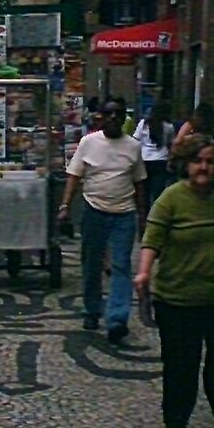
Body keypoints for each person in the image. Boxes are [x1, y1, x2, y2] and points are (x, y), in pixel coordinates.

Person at [135, 134, 214, 428]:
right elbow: (153, 238)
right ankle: (176, 423)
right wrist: (144, 273)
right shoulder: (171, 198)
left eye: (209, 161)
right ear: (185, 164)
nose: (203, 167)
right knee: (180, 366)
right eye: (197, 161)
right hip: (177, 299)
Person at [58, 99, 148, 344]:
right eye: (109, 115)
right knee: (92, 263)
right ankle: (92, 309)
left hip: (124, 213)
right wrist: (65, 205)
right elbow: (74, 175)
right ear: (101, 118)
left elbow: (139, 182)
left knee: (120, 265)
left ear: (123, 120)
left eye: (118, 115)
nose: (113, 119)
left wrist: (142, 216)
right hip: (94, 210)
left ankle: (117, 318)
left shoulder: (133, 146)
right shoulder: (89, 142)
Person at [134, 100, 175, 206]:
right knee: (158, 191)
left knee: (145, 191)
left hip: (145, 159)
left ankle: (145, 213)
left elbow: (136, 139)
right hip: (161, 160)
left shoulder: (143, 124)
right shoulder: (168, 126)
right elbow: (171, 144)